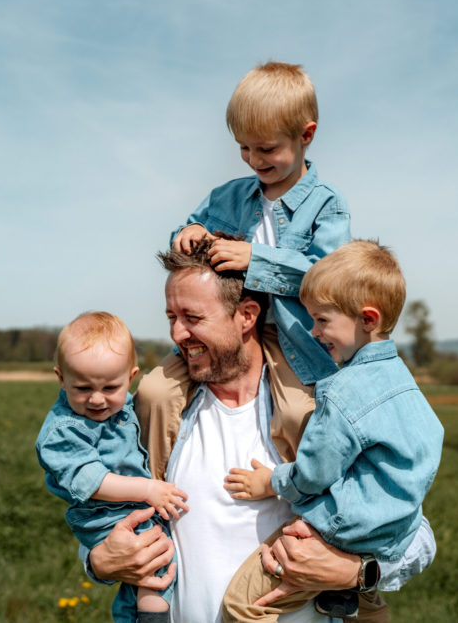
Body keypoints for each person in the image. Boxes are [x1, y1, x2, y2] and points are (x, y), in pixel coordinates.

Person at [80, 242, 437, 622]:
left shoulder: (319, 411)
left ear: (247, 315)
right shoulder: (155, 413)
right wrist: (99, 560)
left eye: (193, 317)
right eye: (171, 317)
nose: (177, 334)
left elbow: (417, 533)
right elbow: (101, 506)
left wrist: (356, 572)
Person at [136, 61, 352, 482]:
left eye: (266, 149)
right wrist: (189, 231)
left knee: (297, 412)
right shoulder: (229, 196)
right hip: (225, 330)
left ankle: (301, 500)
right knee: (154, 391)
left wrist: (256, 259)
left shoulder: (327, 205)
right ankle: (152, 491)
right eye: (243, 148)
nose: (254, 160)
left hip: (294, 342)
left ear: (305, 135)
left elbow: (329, 282)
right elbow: (189, 227)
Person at [222, 241, 444, 622]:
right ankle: (349, 597)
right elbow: (431, 441)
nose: (314, 331)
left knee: (241, 606)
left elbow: (313, 473)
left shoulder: (343, 390)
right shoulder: (403, 381)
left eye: (322, 320)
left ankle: (339, 589)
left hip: (342, 530)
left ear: (368, 319)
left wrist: (270, 481)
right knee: (364, 608)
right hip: (394, 532)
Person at [36, 312, 189, 623]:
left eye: (109, 388)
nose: (96, 399)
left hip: (125, 504)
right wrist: (148, 489)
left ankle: (131, 614)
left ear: (130, 378)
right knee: (153, 558)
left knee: (146, 567)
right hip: (102, 512)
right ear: (61, 378)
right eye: (82, 388)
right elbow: (94, 482)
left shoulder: (125, 404)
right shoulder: (63, 431)